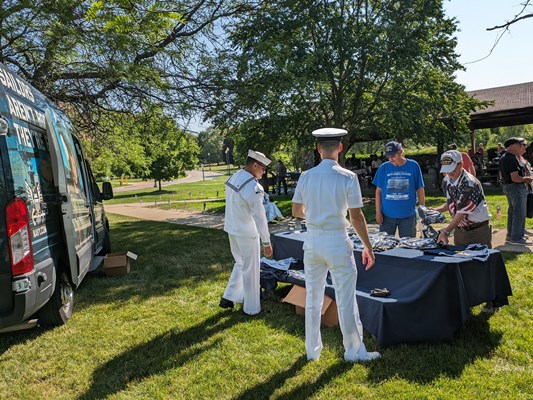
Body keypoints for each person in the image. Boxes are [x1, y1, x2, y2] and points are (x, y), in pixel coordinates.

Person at [292, 127, 380, 363]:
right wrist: (368, 246)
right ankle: (353, 351)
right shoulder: (348, 177)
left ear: (318, 149)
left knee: (313, 298)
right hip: (336, 240)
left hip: (312, 240)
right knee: (346, 299)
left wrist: (315, 215)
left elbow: (296, 210)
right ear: (340, 148)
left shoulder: (306, 176)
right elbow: (357, 216)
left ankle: (312, 351)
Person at [219, 149, 273, 315]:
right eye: (263, 168)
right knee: (251, 271)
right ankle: (252, 309)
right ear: (255, 164)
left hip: (232, 229)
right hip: (247, 232)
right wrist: (267, 242)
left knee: (241, 264)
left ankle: (228, 297)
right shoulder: (254, 186)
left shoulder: (235, 176)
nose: (263, 172)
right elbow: (260, 218)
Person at [434, 150, 492, 248]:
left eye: (452, 170)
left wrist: (445, 231)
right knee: (460, 260)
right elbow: (452, 203)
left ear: (461, 164)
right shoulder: (446, 181)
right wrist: (434, 211)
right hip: (460, 230)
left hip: (478, 230)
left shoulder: (470, 184)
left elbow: (461, 212)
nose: (449, 173)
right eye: (446, 170)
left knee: (481, 260)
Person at [372, 141, 425, 237]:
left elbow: (420, 189)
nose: (391, 159)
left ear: (400, 152)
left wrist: (422, 209)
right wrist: (378, 212)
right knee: (385, 246)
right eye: (388, 157)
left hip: (408, 216)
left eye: (393, 156)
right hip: (387, 216)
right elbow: (378, 191)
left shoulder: (413, 166)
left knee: (408, 246)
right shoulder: (383, 167)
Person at [499, 137, 533, 245]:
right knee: (519, 213)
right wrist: (528, 179)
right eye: (522, 145)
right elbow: (515, 178)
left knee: (512, 212)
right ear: (513, 145)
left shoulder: (504, 157)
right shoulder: (511, 158)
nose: (524, 147)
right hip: (516, 188)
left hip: (509, 187)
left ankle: (511, 235)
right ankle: (517, 238)